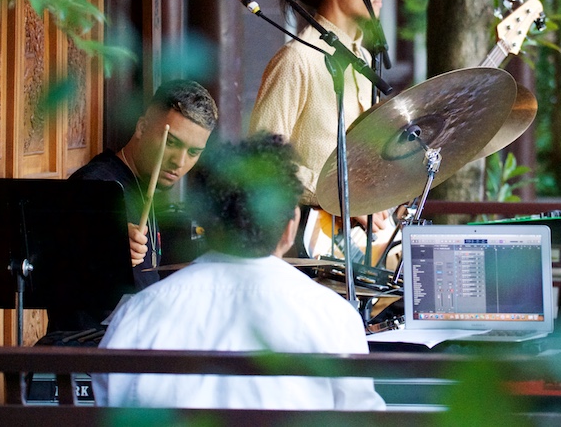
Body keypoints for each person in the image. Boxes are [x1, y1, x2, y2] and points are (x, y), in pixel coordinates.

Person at [92, 133, 386, 410]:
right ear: (291, 227)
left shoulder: (139, 314)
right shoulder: (333, 317)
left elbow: (106, 407)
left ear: (204, 224)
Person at [249, 0, 393, 264]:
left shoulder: (363, 59)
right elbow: (261, 159)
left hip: (355, 239)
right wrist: (340, 195)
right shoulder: (297, 59)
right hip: (307, 242)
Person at [45, 79, 217, 334]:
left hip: (137, 344)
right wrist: (107, 251)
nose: (179, 162)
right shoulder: (95, 187)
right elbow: (59, 271)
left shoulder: (145, 188)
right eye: (171, 143)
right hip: (92, 352)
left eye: (193, 152)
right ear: (142, 127)